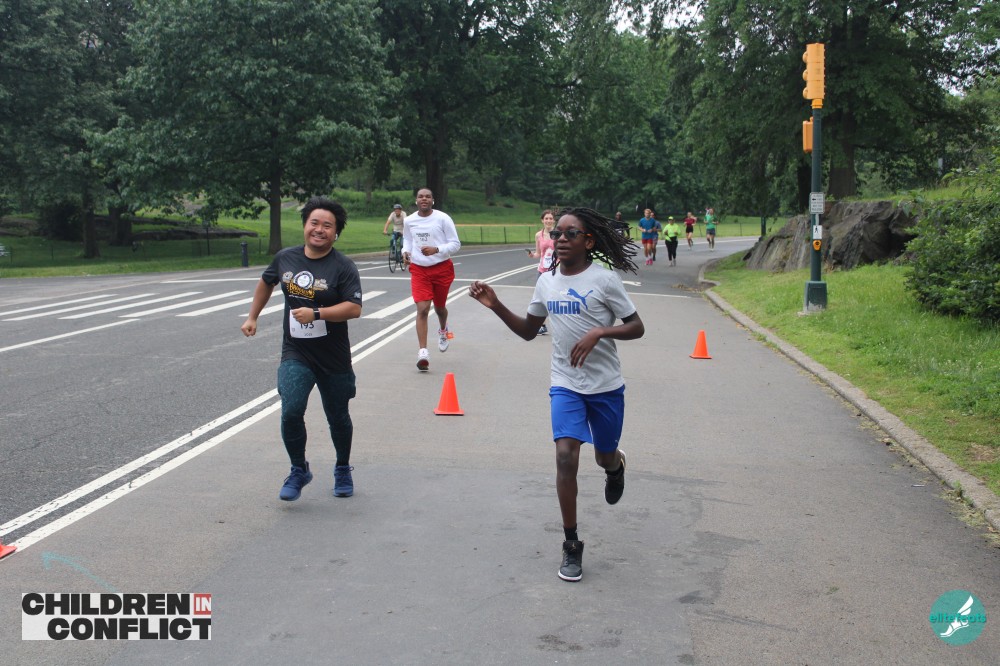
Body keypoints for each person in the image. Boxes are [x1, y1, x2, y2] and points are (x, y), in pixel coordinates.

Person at [469, 207, 645, 583]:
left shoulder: (605, 280)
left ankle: (615, 467)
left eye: (570, 234)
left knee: (603, 456)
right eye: (557, 234)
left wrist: (600, 332)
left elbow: (636, 326)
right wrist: (496, 305)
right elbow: (528, 330)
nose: (561, 239)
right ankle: (571, 543)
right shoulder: (547, 282)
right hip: (565, 383)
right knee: (565, 457)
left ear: (589, 241)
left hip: (605, 387)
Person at [241, 197, 363, 502]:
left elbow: (354, 308)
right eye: (314, 223)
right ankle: (298, 469)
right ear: (305, 225)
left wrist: (317, 313)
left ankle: (343, 468)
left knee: (338, 416)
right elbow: (266, 282)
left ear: (336, 233)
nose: (319, 229)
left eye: (327, 226)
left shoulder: (343, 266)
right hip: (296, 352)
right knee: (291, 410)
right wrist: (252, 316)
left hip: (333, 357)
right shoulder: (286, 258)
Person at [403, 188, 461, 371]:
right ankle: (423, 352)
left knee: (440, 308)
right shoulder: (409, 220)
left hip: (441, 268)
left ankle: (443, 330)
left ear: (433, 200)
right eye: (420, 196)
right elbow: (408, 240)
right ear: (416, 200)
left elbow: (455, 244)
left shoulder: (443, 218)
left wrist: (436, 249)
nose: (424, 199)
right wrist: (406, 252)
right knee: (423, 308)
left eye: (428, 196)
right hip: (419, 269)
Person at [526, 209, 556, 334]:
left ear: (554, 220)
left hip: (555, 271)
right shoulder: (538, 235)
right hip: (542, 270)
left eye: (550, 218)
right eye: (546, 218)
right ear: (542, 220)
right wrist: (532, 255)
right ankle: (541, 325)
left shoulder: (558, 234)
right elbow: (539, 253)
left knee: (555, 297)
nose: (548, 220)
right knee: (539, 298)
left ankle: (560, 324)